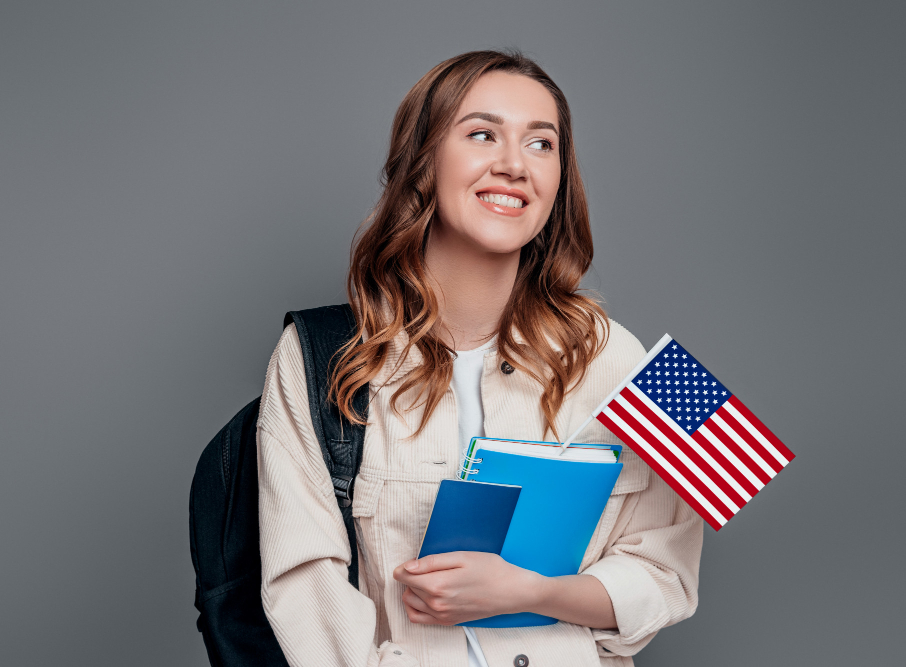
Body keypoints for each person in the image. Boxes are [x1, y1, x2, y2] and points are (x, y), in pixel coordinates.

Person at [256, 50, 703, 667]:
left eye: (541, 144)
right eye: (483, 134)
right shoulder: (321, 357)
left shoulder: (614, 354)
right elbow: (304, 591)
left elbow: (665, 573)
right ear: (424, 162)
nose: (515, 164)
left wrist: (534, 592)